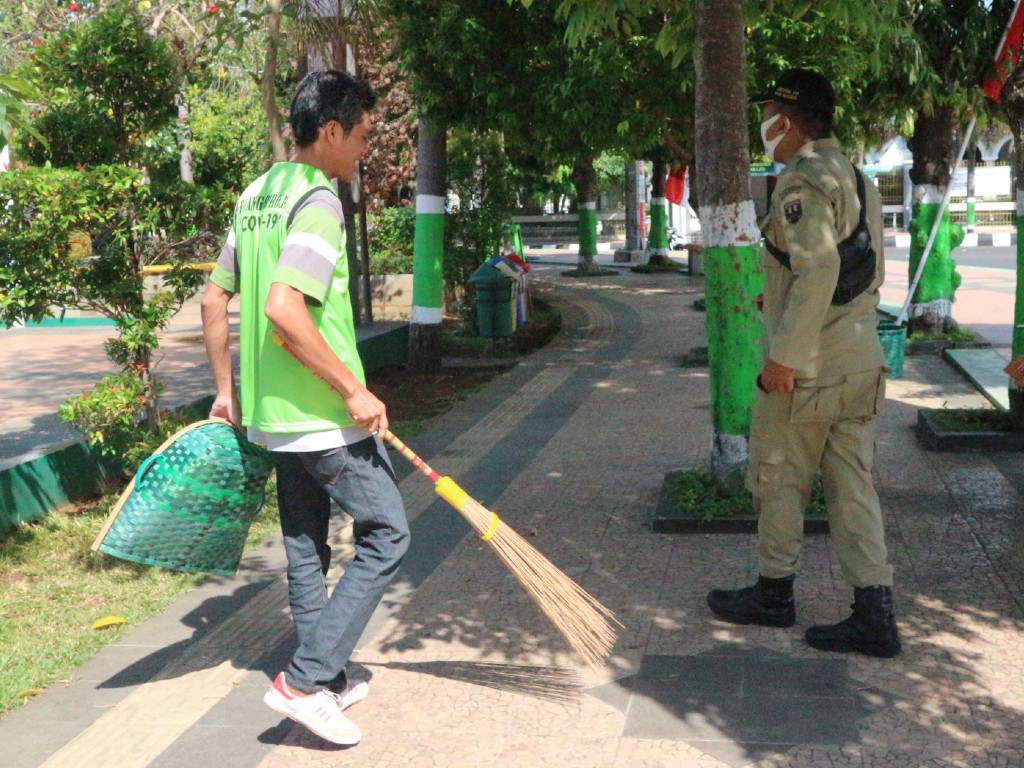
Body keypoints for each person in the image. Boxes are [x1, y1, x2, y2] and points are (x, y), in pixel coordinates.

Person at [201, 69, 410, 745]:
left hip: (271, 417)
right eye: (362, 137)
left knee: (304, 549)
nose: (364, 152)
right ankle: (305, 681)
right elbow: (283, 310)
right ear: (330, 131)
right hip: (322, 417)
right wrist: (353, 388)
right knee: (388, 534)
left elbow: (214, 299)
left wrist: (228, 391)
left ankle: (332, 674)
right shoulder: (317, 199)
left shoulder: (256, 194)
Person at [706, 68, 901, 658]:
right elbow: (859, 264)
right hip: (858, 358)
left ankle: (773, 594)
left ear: (786, 120)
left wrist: (785, 358)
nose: (763, 126)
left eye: (768, 113)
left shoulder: (803, 180)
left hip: (811, 368)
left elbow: (819, 267)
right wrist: (785, 300)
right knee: (852, 489)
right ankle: (875, 614)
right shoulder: (855, 175)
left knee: (779, 479)